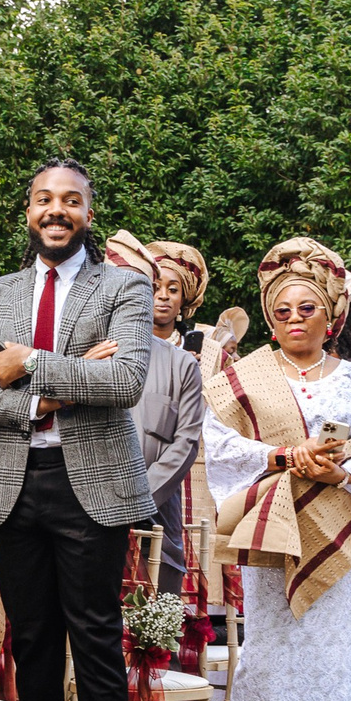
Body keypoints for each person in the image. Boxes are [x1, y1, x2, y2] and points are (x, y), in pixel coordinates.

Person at [0, 160, 154, 701]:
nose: (56, 210)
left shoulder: (124, 289)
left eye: (71, 200)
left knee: (95, 637)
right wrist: (50, 397)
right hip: (15, 479)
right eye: (45, 199)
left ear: (87, 215)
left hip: (92, 484)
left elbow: (124, 382)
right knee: (32, 641)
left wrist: (28, 364)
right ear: (29, 210)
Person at [201, 237, 351, 701]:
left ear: (330, 314)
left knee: (339, 657)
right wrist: (283, 455)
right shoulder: (242, 378)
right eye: (283, 310)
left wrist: (342, 472)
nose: (295, 319)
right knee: (274, 652)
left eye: (307, 308)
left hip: (340, 529)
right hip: (277, 535)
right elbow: (216, 444)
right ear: (269, 316)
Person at [115, 235, 203, 594]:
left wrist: (139, 497)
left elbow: (186, 440)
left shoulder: (182, 363)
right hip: (85, 508)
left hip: (158, 504)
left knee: (154, 609)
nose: (161, 296)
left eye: (172, 288)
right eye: (152, 287)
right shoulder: (87, 351)